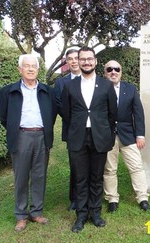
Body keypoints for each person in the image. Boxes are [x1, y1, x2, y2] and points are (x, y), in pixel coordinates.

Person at [0, 54, 57, 232]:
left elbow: (52, 115)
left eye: (34, 66)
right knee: (21, 177)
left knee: (40, 176)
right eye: (27, 66)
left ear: (38, 70)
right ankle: (21, 215)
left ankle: (36, 212)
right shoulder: (8, 91)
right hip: (21, 136)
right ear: (20, 69)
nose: (31, 69)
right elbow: (4, 117)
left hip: (41, 136)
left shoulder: (48, 91)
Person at [61, 46, 117, 233]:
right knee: (80, 178)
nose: (86, 62)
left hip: (99, 137)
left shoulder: (107, 85)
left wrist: (104, 132)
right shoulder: (69, 86)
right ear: (78, 60)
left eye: (89, 59)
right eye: (82, 59)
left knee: (96, 177)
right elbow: (66, 114)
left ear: (95, 61)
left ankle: (96, 213)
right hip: (78, 137)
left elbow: (112, 114)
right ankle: (81, 215)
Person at [103, 60, 150, 212]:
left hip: (128, 135)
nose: (113, 72)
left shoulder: (130, 89)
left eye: (116, 69)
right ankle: (112, 199)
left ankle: (143, 197)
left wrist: (140, 135)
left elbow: (138, 113)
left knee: (136, 166)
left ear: (121, 72)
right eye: (109, 69)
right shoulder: (100, 89)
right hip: (107, 135)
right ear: (105, 72)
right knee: (109, 169)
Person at [53, 48, 81, 211]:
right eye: (70, 59)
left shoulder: (91, 79)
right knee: (76, 166)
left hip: (93, 130)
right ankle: (75, 199)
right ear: (67, 62)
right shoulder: (61, 83)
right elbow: (60, 106)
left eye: (76, 58)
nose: (73, 61)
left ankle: (92, 196)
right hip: (72, 130)